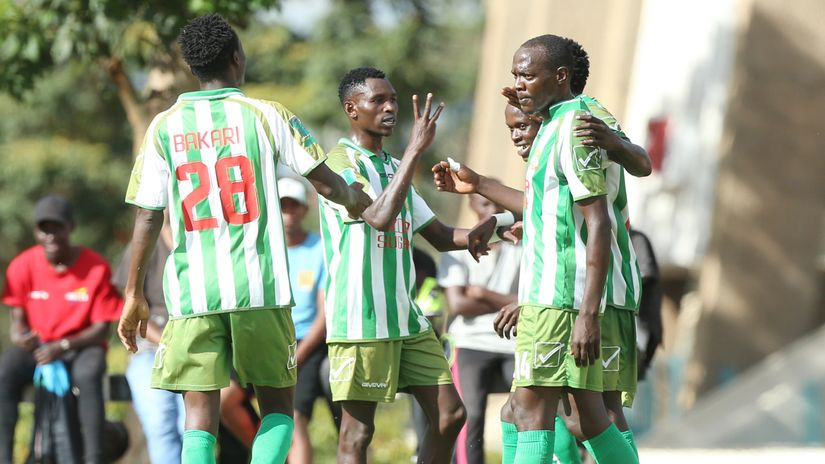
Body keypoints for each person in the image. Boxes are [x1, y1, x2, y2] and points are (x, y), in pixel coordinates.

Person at [116, 14, 371, 464]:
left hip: (192, 293)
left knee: (199, 417)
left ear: (194, 68)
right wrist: (358, 200)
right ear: (237, 57)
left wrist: (134, 293)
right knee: (277, 408)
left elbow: (147, 215)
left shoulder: (163, 126)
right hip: (261, 289)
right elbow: (328, 185)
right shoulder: (267, 114)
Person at [433, 35, 642, 464]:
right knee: (582, 416)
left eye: (526, 76)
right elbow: (547, 205)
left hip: (566, 295)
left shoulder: (575, 126)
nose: (518, 87)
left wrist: (585, 314)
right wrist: (487, 197)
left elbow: (597, 218)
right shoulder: (568, 119)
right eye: (515, 77)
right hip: (567, 294)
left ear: (560, 77)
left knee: (533, 412)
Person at [319, 66, 493, 464]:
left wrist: (494, 228)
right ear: (352, 109)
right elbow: (377, 216)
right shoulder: (340, 164)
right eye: (377, 100)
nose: (390, 107)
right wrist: (415, 151)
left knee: (451, 415)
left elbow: (440, 235)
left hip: (407, 320)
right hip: (362, 321)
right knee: (358, 434)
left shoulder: (393, 167)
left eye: (393, 99)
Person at [0, 195, 122, 464]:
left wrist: (63, 346)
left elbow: (103, 329)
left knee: (89, 373)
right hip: (40, 347)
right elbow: (17, 321)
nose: (50, 235)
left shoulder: (96, 267)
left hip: (80, 346)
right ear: (36, 231)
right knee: (5, 369)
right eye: (44, 228)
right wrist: (22, 338)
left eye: (57, 227)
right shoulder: (22, 265)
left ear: (71, 227)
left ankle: (93, 457)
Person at [437, 193, 521, 464]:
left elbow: (533, 299)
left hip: (514, 340)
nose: (493, 209)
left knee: (528, 410)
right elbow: (458, 304)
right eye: (485, 203)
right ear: (472, 206)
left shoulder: (521, 245)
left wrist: (482, 293)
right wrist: (509, 302)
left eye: (499, 204)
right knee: (468, 414)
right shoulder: (456, 248)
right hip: (471, 342)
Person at [278, 177, 342, 464]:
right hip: (267, 341)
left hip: (307, 343)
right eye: (282, 206)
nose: (288, 213)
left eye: (295, 206)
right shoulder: (262, 247)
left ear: (305, 210)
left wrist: (295, 357)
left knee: (293, 417)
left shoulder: (320, 248)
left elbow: (324, 314)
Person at [114, 221, 186, 464]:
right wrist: (170, 342)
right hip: (150, 352)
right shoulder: (144, 244)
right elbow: (129, 309)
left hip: (196, 349)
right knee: (160, 422)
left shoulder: (202, 240)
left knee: (193, 426)